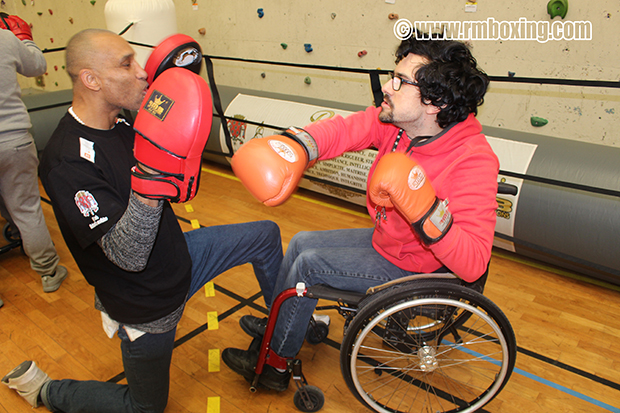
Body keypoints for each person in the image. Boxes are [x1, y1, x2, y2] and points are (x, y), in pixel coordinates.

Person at [2, 28, 283, 413]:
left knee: (264, 235)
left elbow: (178, 180)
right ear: (91, 79)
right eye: (126, 63)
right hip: (147, 303)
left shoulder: (121, 121)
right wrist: (151, 180)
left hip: (181, 256)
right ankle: (48, 392)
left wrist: (183, 88)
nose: (141, 72)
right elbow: (128, 255)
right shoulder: (67, 163)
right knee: (146, 407)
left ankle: (280, 336)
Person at [222, 33, 499, 391]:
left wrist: (424, 210)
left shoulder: (472, 160)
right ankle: (292, 324)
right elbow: (345, 129)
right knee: (301, 242)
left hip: (415, 266)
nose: (388, 86)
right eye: (392, 75)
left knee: (308, 266)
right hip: (388, 242)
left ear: (434, 102)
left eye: (401, 81)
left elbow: (475, 262)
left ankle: (275, 366)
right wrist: (297, 146)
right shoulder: (400, 125)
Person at [0, 13, 68, 308]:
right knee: (26, 206)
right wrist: (25, 39)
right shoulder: (4, 38)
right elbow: (37, 66)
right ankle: (49, 272)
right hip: (12, 138)